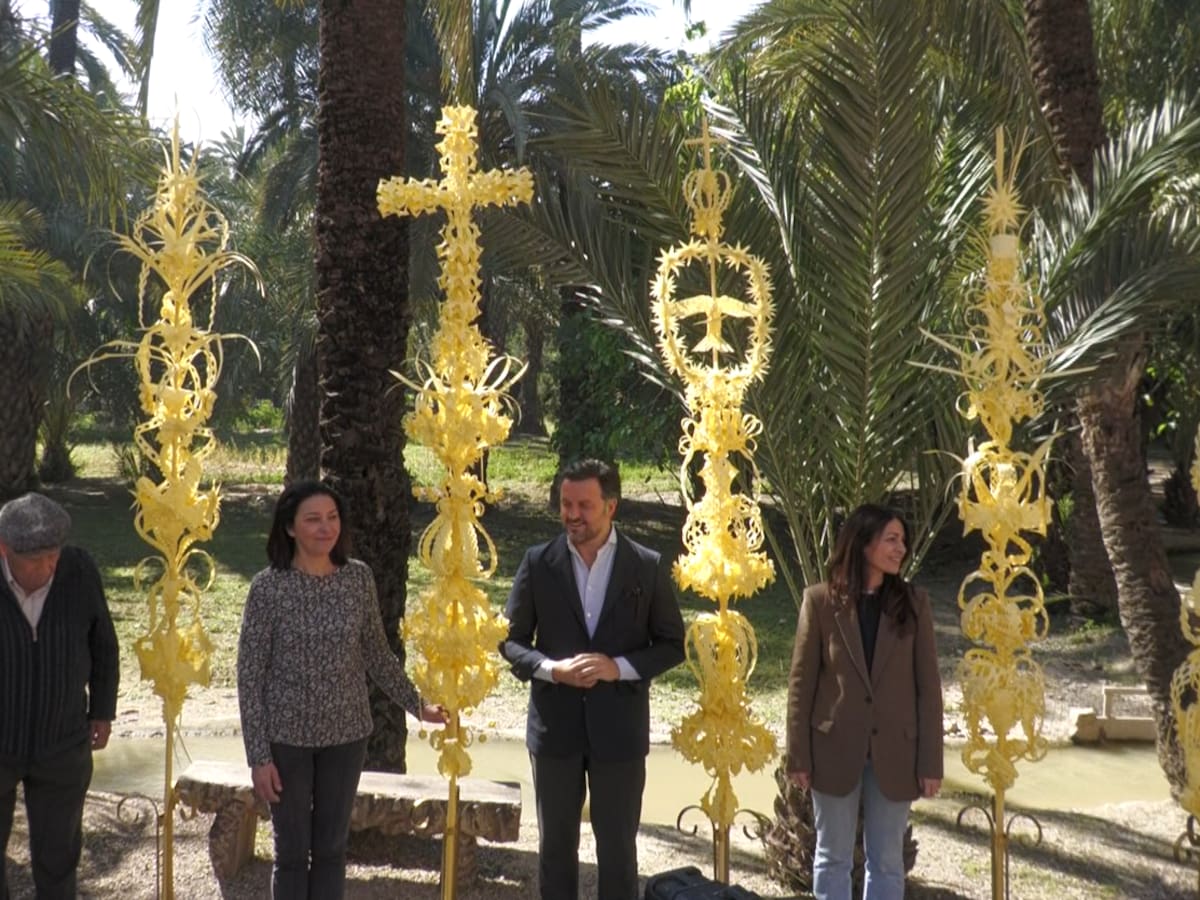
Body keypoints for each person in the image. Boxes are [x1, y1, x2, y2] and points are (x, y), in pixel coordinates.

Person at [237, 480, 444, 899]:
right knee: (292, 852)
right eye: (313, 519)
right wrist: (259, 757)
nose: (324, 527)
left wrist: (417, 706)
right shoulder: (268, 588)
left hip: (347, 736)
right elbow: (250, 676)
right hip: (286, 739)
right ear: (291, 528)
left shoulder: (358, 579)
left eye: (331, 518)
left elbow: (378, 654)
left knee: (331, 849)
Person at [501, 458, 686, 900]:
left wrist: (616, 667)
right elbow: (510, 641)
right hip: (554, 730)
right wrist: (551, 669)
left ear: (611, 507)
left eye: (584, 504)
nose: (572, 514)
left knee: (619, 853)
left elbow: (671, 644)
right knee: (555, 850)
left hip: (619, 733)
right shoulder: (538, 563)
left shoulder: (646, 565)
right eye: (566, 504)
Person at [785, 503, 944, 900]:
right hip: (834, 749)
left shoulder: (915, 604)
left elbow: (929, 690)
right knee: (831, 857)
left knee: (887, 862)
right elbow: (800, 686)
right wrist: (798, 756)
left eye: (902, 540)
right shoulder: (820, 602)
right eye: (891, 539)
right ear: (863, 544)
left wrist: (930, 762)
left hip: (897, 752)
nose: (901, 548)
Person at [0, 492, 119, 900]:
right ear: (4, 549)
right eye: (35, 560)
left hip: (62, 741)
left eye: (53, 555)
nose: (48, 567)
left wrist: (102, 711)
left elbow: (104, 644)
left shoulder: (79, 570)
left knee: (58, 859)